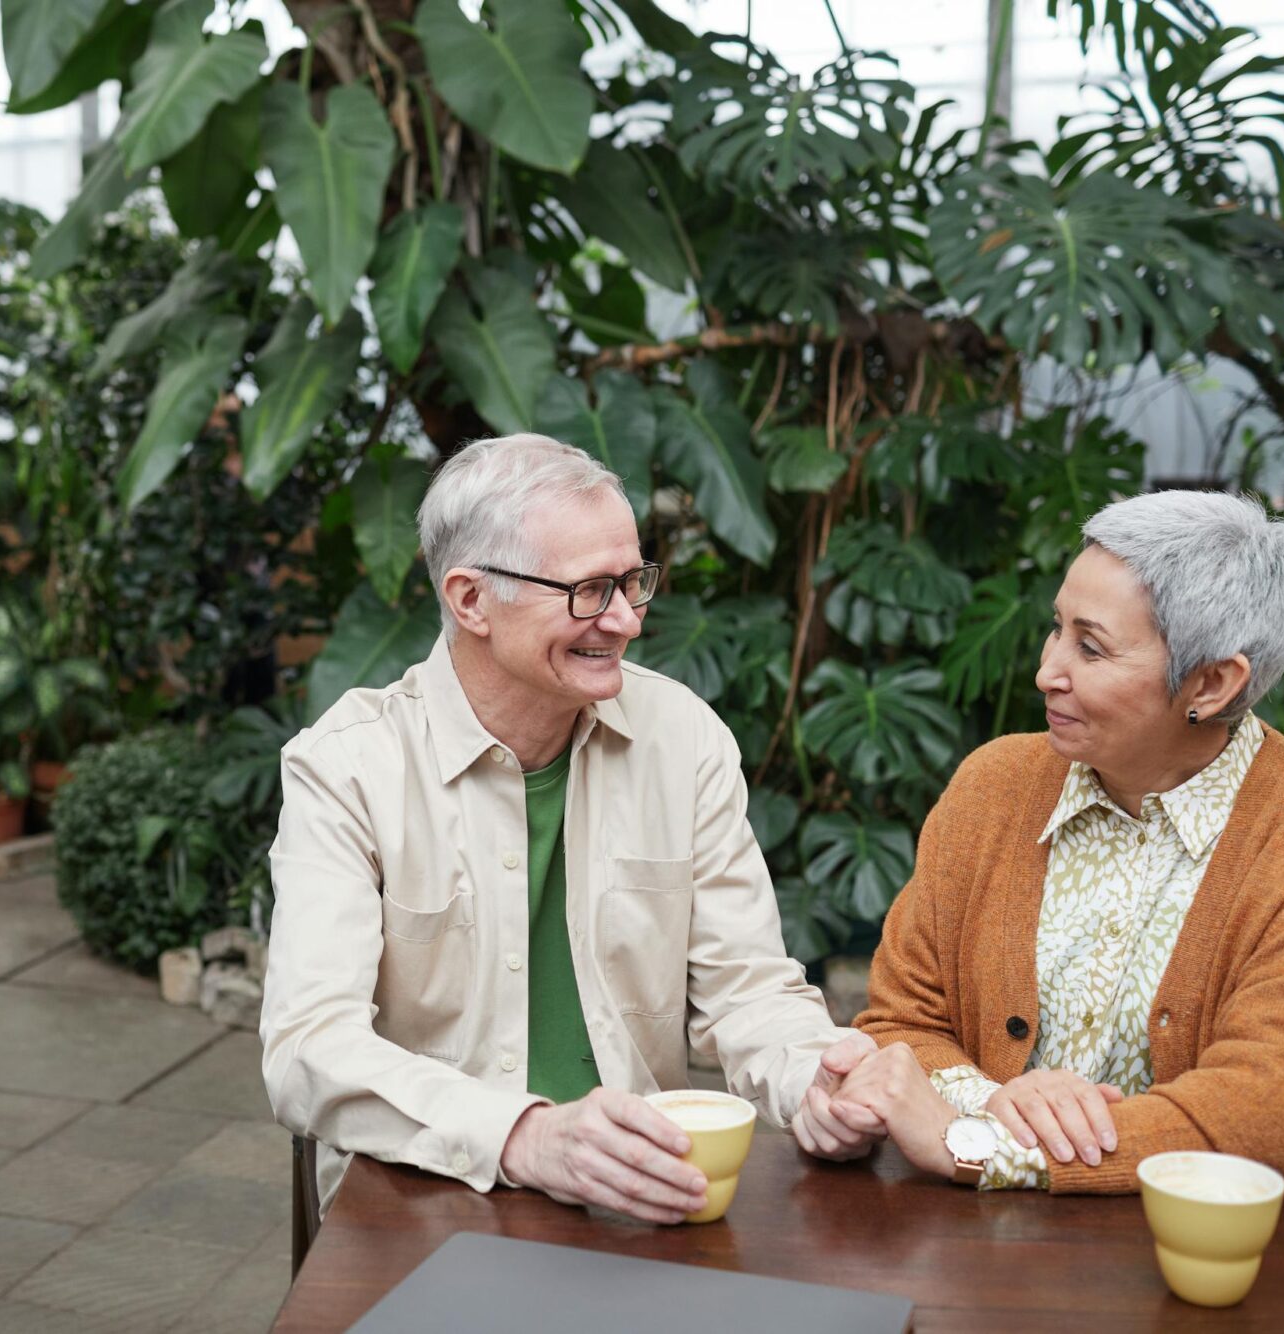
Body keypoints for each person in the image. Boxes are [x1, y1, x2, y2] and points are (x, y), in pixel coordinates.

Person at [259, 434, 879, 1225]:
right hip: (424, 1199)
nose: (626, 621)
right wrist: (524, 1136)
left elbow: (748, 992)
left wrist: (812, 1080)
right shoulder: (347, 771)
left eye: (632, 582)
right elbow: (308, 1047)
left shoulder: (681, 739)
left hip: (642, 1194)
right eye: (589, 591)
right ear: (471, 600)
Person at [827, 490, 1284, 1192]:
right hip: (968, 1247)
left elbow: (1270, 1109)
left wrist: (988, 1147)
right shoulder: (994, 784)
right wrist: (993, 1099)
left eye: (1090, 647)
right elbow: (901, 1023)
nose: (1047, 671)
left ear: (1211, 684)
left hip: (1191, 1254)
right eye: (1056, 628)